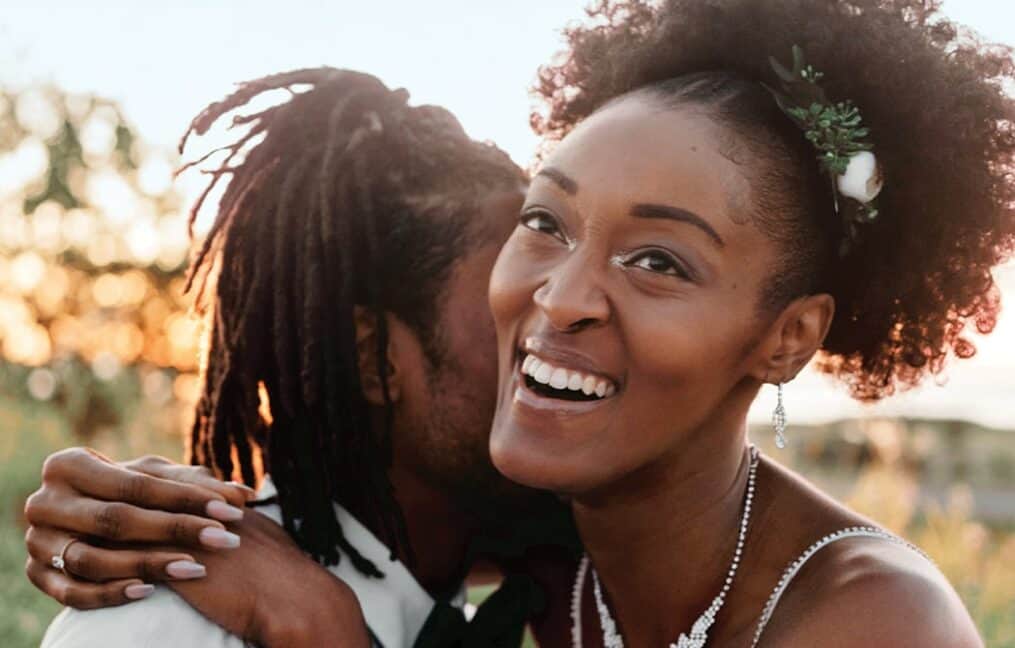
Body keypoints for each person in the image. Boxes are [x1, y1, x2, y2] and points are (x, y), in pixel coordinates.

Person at [27, 0, 1014, 646]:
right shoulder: (566, 558)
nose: (561, 295)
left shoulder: (867, 619)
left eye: (657, 260)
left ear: (785, 336)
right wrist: (135, 513)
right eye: (545, 223)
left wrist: (324, 635)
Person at [26, 67, 576, 648]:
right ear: (374, 357)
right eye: (511, 296)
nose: (564, 319)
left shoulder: (495, 588)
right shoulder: (166, 626)